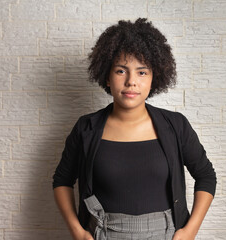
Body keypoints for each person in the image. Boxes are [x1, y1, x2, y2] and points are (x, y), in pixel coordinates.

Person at [53, 18, 217, 240]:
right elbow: (62, 180)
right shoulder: (86, 128)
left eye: (142, 72)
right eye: (121, 71)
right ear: (107, 77)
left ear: (153, 78)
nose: (131, 81)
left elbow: (206, 175)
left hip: (165, 234)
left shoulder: (176, 125)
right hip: (103, 233)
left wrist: (189, 231)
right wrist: (78, 233)